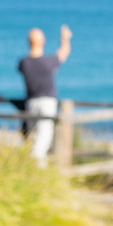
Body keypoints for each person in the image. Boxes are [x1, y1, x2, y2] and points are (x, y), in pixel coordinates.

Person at [18, 25, 72, 164]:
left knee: (33, 137)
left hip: (31, 103)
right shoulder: (48, 62)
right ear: (43, 41)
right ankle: (37, 168)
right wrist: (64, 39)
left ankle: (31, 166)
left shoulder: (24, 63)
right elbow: (64, 52)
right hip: (47, 103)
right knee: (43, 139)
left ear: (28, 42)